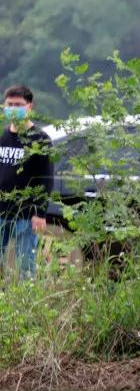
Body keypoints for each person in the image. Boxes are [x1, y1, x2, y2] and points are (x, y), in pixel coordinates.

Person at [0, 85, 52, 279]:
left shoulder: (40, 139)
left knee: (25, 266)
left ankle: (27, 304)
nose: (13, 109)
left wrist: (40, 213)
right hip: (1, 211)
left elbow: (45, 180)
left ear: (30, 106)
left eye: (19, 105)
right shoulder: (3, 137)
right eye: (10, 104)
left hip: (26, 215)